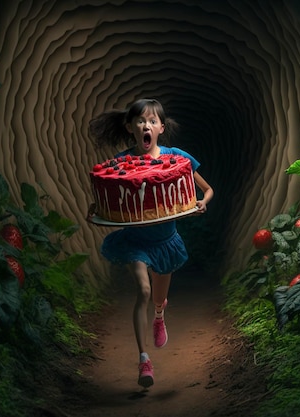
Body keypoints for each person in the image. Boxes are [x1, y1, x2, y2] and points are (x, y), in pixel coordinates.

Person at [88, 98, 214, 388]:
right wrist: (94, 209)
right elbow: (105, 197)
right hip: (135, 241)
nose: (147, 125)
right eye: (141, 121)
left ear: (161, 128)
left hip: (166, 241)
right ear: (130, 127)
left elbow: (207, 190)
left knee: (157, 297)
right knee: (142, 291)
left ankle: (160, 314)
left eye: (153, 121)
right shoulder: (120, 163)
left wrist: (201, 203)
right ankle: (144, 359)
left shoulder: (177, 159)